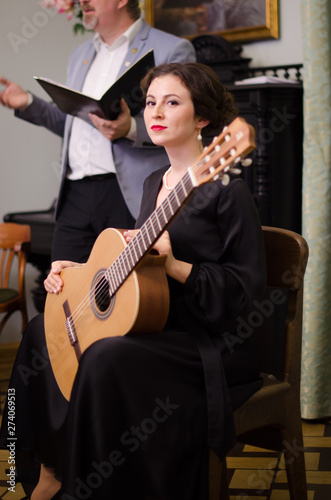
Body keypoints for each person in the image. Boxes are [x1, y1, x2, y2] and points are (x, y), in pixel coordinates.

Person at [0, 62, 266, 500]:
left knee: (103, 357)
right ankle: (43, 469)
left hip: (205, 343)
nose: (155, 111)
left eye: (172, 102)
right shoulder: (150, 184)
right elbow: (136, 273)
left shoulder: (224, 189)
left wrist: (177, 266)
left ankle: (86, 488)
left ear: (202, 119)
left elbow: (247, 293)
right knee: (39, 332)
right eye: (150, 102)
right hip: (155, 326)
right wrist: (79, 275)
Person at [0, 0, 196, 264]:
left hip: (129, 195)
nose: (81, 1)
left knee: (125, 299)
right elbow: (72, 124)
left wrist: (131, 129)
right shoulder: (80, 53)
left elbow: (184, 126)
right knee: (63, 293)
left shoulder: (171, 49)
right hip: (74, 195)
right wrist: (27, 102)